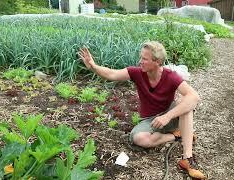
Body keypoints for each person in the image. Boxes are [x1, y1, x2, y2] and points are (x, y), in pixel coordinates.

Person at [78, 41, 206, 179]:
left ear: (157, 61)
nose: (140, 61)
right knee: (138, 138)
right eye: (141, 58)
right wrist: (93, 66)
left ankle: (187, 158)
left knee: (186, 102)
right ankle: (178, 136)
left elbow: (194, 97)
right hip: (150, 120)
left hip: (170, 116)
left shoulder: (170, 76)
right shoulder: (137, 73)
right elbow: (112, 74)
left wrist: (167, 116)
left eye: (144, 59)